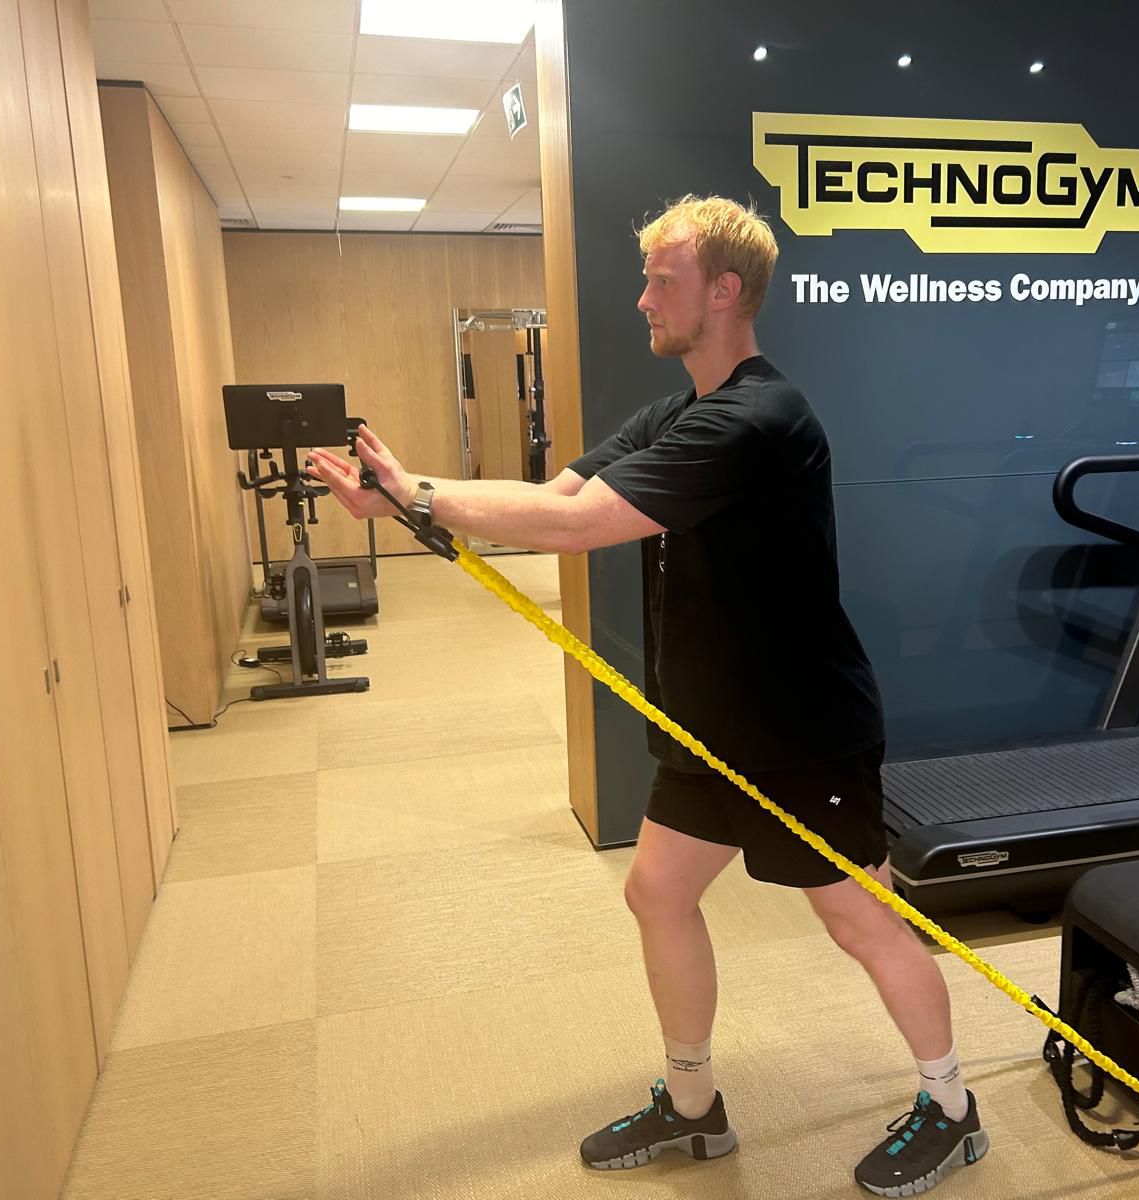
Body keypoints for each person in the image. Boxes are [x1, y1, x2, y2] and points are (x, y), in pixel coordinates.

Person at [308, 194, 989, 1195]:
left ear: (723, 290)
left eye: (659, 280)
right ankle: (695, 1108)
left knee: (860, 922)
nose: (640, 300)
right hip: (712, 730)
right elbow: (559, 502)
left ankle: (951, 1106)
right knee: (656, 890)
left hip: (801, 733)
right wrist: (417, 499)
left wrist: (417, 496)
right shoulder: (680, 413)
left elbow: (578, 532)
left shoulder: (761, 418)